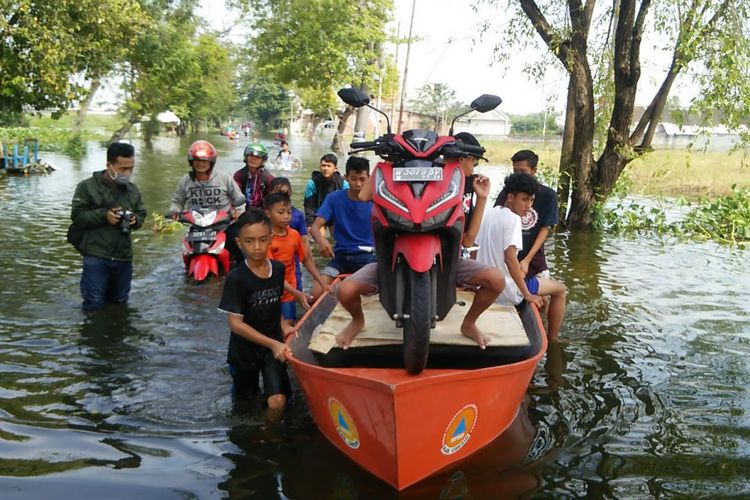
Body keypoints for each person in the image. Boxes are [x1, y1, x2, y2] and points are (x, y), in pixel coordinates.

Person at [334, 133, 505, 349]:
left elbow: (468, 240)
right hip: (390, 259)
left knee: (496, 280)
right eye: (473, 160)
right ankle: (357, 321)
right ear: (461, 159)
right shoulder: (412, 174)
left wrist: (481, 198)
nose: (474, 165)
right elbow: (363, 196)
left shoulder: (465, 186)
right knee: (345, 291)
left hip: (451, 261)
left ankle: (469, 324)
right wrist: (385, 164)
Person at [218, 208, 293, 412]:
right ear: (239, 243)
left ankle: (272, 435)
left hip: (272, 348)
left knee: (278, 401)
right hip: (244, 352)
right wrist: (273, 343)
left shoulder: (277, 270)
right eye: (249, 241)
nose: (257, 247)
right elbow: (235, 324)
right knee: (246, 403)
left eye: (262, 240)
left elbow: (274, 304)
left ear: (270, 238)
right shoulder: (236, 278)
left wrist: (284, 325)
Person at [477, 173, 566, 340]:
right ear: (510, 197)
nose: (528, 205)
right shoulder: (513, 220)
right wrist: (526, 294)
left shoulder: (491, 213)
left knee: (535, 284)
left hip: (486, 284)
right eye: (524, 199)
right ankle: (553, 339)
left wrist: (475, 281)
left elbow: (476, 250)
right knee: (560, 290)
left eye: (531, 200)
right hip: (507, 289)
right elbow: (510, 259)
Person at [71, 142, 147, 311]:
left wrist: (135, 220)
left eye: (131, 169)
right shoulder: (87, 187)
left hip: (123, 256)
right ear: (109, 166)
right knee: (94, 304)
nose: (127, 173)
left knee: (120, 303)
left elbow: (141, 214)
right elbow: (77, 216)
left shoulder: (133, 190)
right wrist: (104, 216)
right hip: (96, 255)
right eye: (123, 169)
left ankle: (116, 335)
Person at [169, 140, 247, 263]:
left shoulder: (223, 177)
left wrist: (239, 211)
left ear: (211, 162)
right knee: (186, 255)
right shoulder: (185, 181)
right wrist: (175, 211)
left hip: (224, 226)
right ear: (191, 161)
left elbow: (238, 198)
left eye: (204, 161)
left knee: (241, 252)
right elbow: (177, 200)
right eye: (197, 160)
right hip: (197, 228)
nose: (200, 164)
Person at [309, 156, 375, 299]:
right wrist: (321, 241)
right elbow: (315, 227)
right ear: (346, 178)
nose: (358, 184)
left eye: (362, 179)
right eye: (353, 178)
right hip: (340, 258)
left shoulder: (377, 201)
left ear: (369, 178)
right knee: (315, 294)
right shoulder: (334, 198)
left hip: (368, 257)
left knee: (364, 291)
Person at [494, 149, 559, 281]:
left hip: (534, 258)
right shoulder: (507, 193)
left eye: (523, 171)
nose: (518, 175)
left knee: (548, 293)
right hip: (509, 255)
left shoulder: (548, 195)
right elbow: (498, 217)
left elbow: (545, 229)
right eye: (515, 171)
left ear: (534, 170)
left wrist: (527, 260)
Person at [265, 192, 327, 321]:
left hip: (289, 292)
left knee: (290, 323)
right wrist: (297, 293)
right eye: (281, 212)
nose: (286, 216)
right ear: (268, 213)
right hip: (269, 293)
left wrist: (321, 282)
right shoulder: (264, 239)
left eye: (289, 212)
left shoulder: (294, 235)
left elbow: (305, 259)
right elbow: (271, 273)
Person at [268, 177, 310, 291]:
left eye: (285, 193)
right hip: (271, 265)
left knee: (295, 292)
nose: (285, 216)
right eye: (278, 193)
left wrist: (304, 260)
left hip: (292, 264)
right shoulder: (264, 216)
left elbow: (304, 242)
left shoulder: (297, 216)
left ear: (290, 192)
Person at [303, 153, 347, 233]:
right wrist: (310, 224)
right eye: (323, 165)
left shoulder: (343, 184)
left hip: (335, 216)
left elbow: (347, 206)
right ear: (320, 167)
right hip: (318, 215)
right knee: (317, 239)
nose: (325, 168)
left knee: (338, 239)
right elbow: (309, 207)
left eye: (328, 166)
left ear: (335, 168)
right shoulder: (312, 183)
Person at [233, 142, 274, 209]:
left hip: (262, 212)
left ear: (262, 160)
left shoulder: (268, 178)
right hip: (244, 211)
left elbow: (273, 200)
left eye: (257, 157)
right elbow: (234, 195)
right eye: (251, 156)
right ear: (246, 157)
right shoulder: (239, 175)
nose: (253, 159)